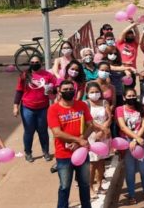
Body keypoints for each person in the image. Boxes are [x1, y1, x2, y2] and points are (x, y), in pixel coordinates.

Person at [48, 80, 93, 208]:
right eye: (65, 89)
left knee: (84, 184)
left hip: (82, 153)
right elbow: (57, 133)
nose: (68, 91)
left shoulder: (82, 105)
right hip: (63, 155)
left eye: (70, 89)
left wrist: (81, 141)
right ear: (60, 92)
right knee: (64, 186)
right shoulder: (53, 109)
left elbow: (91, 125)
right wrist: (78, 140)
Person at [13, 55, 57, 163]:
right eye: (32, 62)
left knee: (43, 131)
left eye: (36, 62)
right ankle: (28, 152)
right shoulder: (24, 75)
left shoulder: (48, 75)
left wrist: (51, 89)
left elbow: (56, 89)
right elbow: (19, 91)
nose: (34, 64)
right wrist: (15, 106)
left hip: (43, 108)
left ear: (41, 63)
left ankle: (45, 152)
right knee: (29, 131)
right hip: (28, 108)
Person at [117, 87, 144, 204]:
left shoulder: (141, 108)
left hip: (140, 142)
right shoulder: (119, 109)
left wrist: (136, 140)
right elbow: (123, 127)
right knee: (130, 170)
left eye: (133, 96)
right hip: (127, 142)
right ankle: (131, 195)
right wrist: (135, 138)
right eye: (129, 96)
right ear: (124, 97)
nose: (131, 98)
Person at [85, 82, 111, 198]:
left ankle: (100, 185)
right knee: (92, 164)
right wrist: (100, 130)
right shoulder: (85, 104)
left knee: (101, 162)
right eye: (92, 92)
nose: (95, 94)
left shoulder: (105, 102)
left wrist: (104, 130)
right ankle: (90, 188)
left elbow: (110, 117)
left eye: (97, 92)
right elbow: (89, 121)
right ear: (87, 93)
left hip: (104, 135)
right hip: (91, 136)